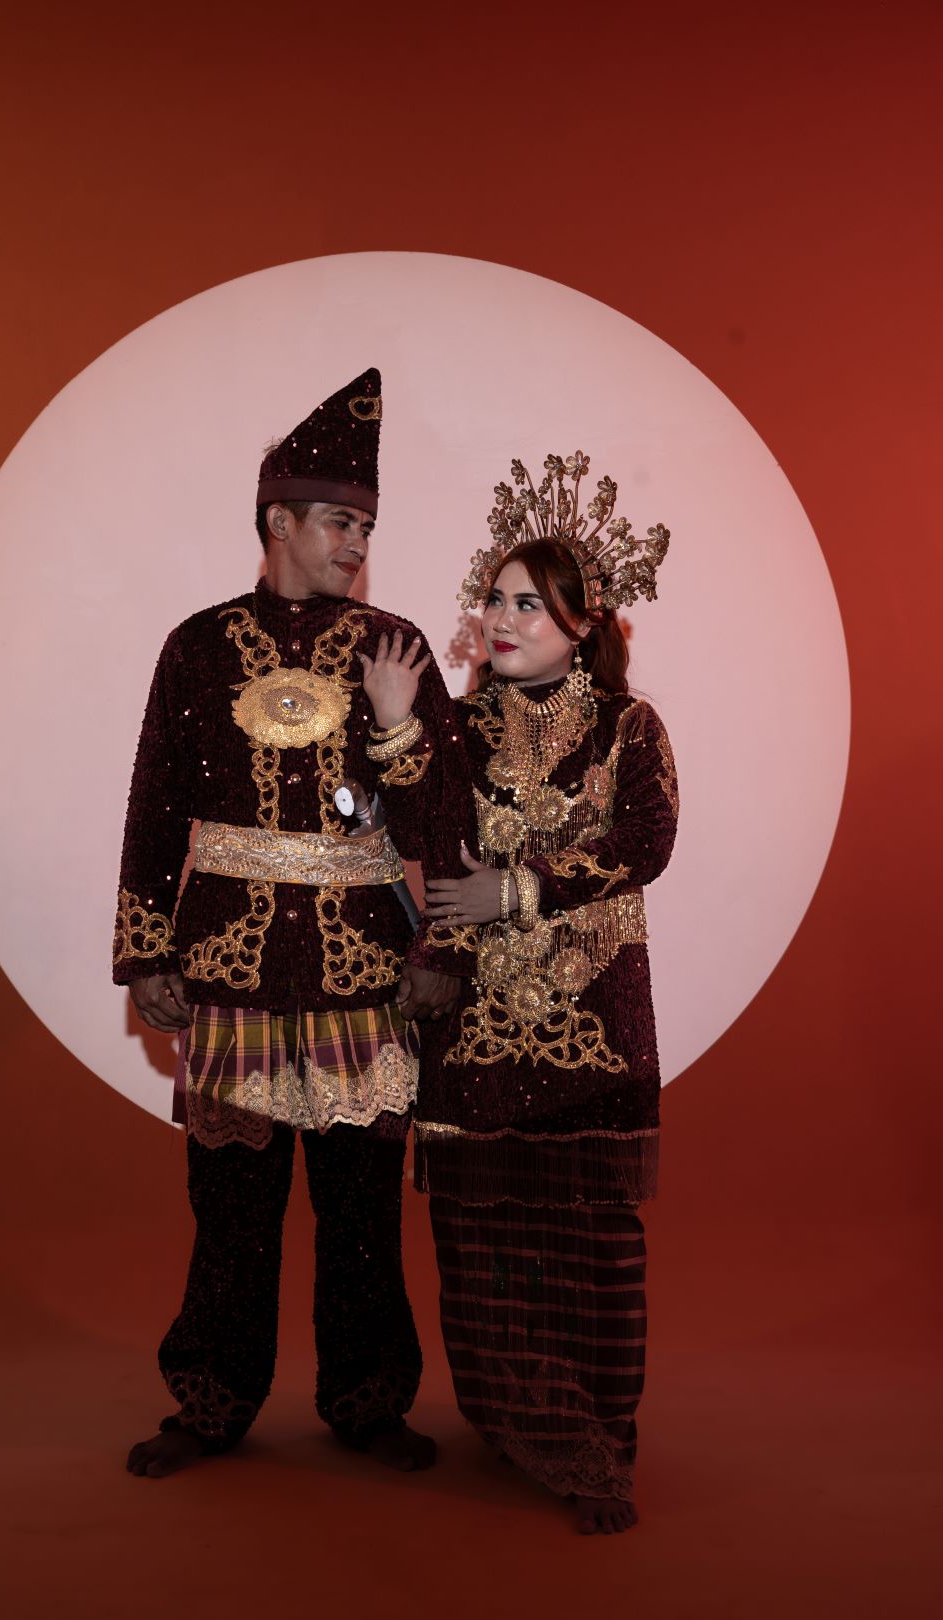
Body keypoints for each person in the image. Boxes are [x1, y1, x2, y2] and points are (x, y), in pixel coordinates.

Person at [114, 369, 462, 1479]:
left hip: (365, 973)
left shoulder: (397, 646)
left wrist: (439, 947)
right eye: (339, 523)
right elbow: (155, 806)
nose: (357, 543)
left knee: (363, 1211)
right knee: (230, 1210)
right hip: (229, 969)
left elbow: (445, 822)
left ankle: (368, 1401)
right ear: (279, 522)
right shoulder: (197, 646)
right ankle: (211, 1400)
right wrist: (145, 948)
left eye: (368, 527)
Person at [360, 451, 676, 1533]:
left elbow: (647, 841)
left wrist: (523, 884)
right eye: (492, 599)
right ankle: (519, 1422)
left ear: (582, 624)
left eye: (527, 603)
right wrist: (397, 721)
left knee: (592, 1246)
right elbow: (421, 827)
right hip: (478, 1026)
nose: (499, 619)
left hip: (595, 1026)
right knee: (483, 1244)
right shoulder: (458, 728)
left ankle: (595, 1440)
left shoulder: (630, 728)